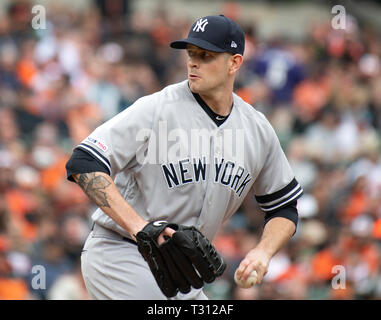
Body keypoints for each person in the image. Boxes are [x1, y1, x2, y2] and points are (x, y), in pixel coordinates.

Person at [65, 14, 303, 300]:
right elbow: (84, 162)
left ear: (235, 63)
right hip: (121, 255)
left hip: (183, 273)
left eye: (206, 55)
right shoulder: (156, 109)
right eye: (192, 53)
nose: (193, 62)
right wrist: (139, 228)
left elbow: (284, 206)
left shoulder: (257, 129)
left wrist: (263, 252)